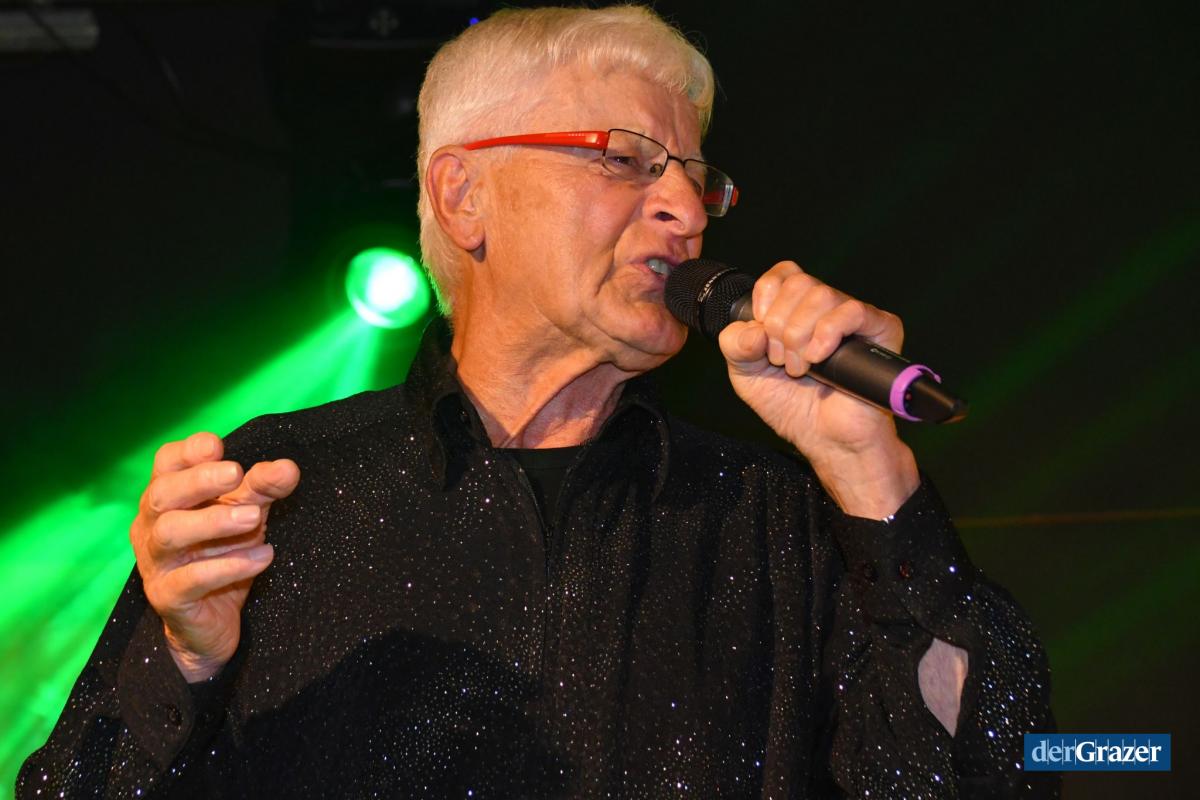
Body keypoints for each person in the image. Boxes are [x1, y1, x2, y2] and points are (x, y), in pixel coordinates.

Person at [19, 6, 1056, 797]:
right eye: (626, 159)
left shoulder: (772, 517)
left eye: (698, 179)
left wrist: (871, 465)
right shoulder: (278, 496)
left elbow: (998, 773)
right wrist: (185, 662)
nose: (686, 210)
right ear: (464, 195)